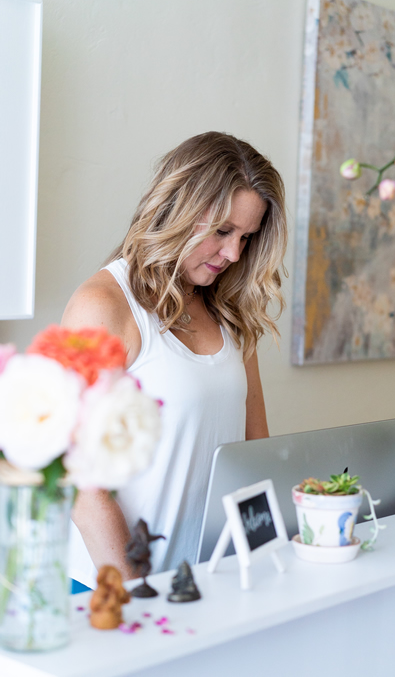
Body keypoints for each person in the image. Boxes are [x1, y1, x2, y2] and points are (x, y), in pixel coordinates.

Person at [62, 131, 288, 591]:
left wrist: (271, 567)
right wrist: (138, 592)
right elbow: (83, 487)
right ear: (177, 208)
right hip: (113, 588)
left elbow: (254, 448)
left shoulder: (229, 312)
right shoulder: (103, 306)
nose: (233, 254)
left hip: (210, 580)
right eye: (223, 231)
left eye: (246, 236)